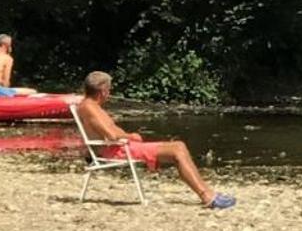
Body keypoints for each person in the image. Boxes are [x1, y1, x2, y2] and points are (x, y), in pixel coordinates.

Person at [75, 71, 234, 209]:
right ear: (103, 91)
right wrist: (131, 136)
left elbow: (108, 132)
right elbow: (112, 135)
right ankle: (207, 196)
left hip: (117, 148)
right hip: (116, 150)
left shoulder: (88, 106)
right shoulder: (90, 107)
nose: (109, 94)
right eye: (109, 90)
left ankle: (207, 192)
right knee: (178, 148)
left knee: (178, 147)